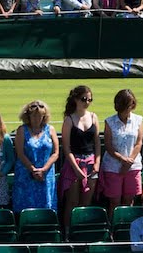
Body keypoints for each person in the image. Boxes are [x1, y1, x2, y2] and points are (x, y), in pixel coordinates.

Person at [59, 85, 101, 233]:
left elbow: (97, 143)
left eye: (90, 99)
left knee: (86, 202)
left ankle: (81, 231)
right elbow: (66, 148)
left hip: (90, 164)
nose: (87, 102)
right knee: (72, 202)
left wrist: (97, 162)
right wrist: (76, 169)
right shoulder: (69, 120)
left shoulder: (94, 117)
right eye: (84, 99)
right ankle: (68, 232)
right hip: (74, 163)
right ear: (76, 99)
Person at [102, 89, 143, 213]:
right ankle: (113, 229)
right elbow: (108, 146)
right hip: (113, 166)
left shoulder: (138, 120)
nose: (129, 107)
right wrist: (122, 159)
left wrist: (129, 161)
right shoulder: (109, 122)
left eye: (131, 104)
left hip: (133, 165)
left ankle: (126, 228)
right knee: (114, 201)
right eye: (126, 104)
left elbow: (138, 142)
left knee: (129, 200)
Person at [14, 100, 59, 213]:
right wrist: (33, 170)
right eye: (34, 116)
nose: (36, 119)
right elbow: (20, 153)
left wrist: (43, 170)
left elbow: (55, 152)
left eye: (40, 116)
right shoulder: (22, 130)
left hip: (46, 175)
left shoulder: (50, 130)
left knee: (47, 208)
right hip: (26, 174)